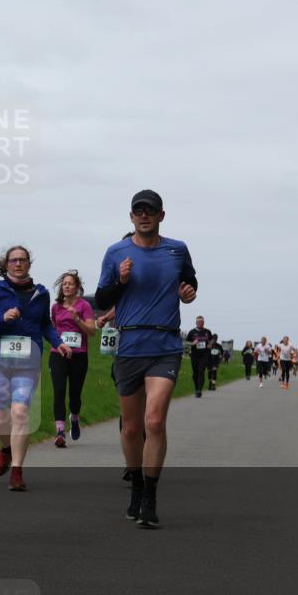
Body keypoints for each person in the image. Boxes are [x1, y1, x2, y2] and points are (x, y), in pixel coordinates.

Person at [95, 189, 197, 528]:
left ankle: (150, 497)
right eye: (138, 211)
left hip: (165, 343)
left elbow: (190, 282)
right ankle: (136, 486)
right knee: (132, 428)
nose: (144, 216)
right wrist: (121, 280)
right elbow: (103, 296)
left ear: (161, 216)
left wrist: (188, 292)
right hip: (130, 344)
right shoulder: (116, 252)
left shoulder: (176, 250)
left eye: (150, 211)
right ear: (131, 217)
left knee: (154, 421)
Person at [0, 246, 71, 490]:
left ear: (28, 264)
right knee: (0, 417)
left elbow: (45, 324)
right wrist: (0, 318)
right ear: (6, 265)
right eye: (13, 260)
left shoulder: (41, 294)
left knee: (20, 412)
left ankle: (17, 471)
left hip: (28, 364)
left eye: (22, 260)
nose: (18, 264)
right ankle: (5, 449)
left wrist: (58, 343)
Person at [49, 271, 96, 446]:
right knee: (59, 391)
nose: (66, 286)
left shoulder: (84, 306)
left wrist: (77, 318)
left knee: (74, 395)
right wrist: (57, 342)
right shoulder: (56, 307)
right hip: (58, 353)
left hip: (79, 356)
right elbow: (52, 329)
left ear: (77, 287)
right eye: (64, 284)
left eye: (70, 283)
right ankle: (60, 432)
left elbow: (91, 331)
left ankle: (74, 418)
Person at [184, 316, 213, 397]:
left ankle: (199, 390)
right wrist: (192, 343)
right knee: (195, 373)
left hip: (205, 354)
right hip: (194, 355)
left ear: (203, 323)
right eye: (199, 322)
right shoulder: (192, 332)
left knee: (201, 371)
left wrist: (210, 344)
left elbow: (211, 340)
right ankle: (196, 388)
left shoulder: (207, 331)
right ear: (196, 323)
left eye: (202, 322)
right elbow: (186, 342)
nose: (200, 323)